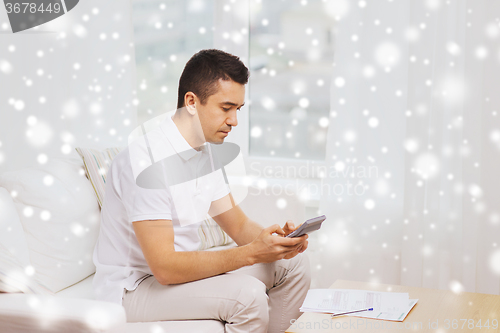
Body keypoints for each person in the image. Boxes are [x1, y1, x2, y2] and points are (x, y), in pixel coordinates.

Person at [92, 49, 311, 333]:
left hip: (178, 280)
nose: (234, 120)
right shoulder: (146, 162)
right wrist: (252, 254)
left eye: (238, 110)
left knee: (293, 265)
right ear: (192, 102)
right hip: (134, 289)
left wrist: (277, 243)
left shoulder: (204, 155)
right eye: (226, 108)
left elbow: (239, 225)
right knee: (248, 296)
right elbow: (165, 267)